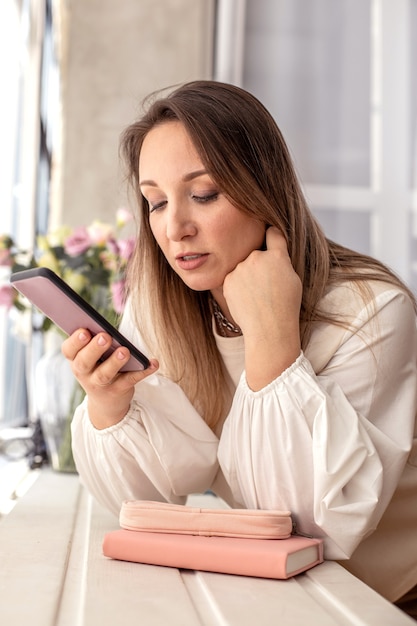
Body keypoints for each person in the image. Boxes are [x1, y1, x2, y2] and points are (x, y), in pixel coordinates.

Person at [62, 80, 417, 614]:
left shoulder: (370, 311)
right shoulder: (163, 306)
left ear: (264, 189)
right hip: (276, 597)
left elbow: (308, 526)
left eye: (203, 195)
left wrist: (273, 341)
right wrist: (110, 408)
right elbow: (144, 506)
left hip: (391, 596)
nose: (175, 227)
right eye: (156, 201)